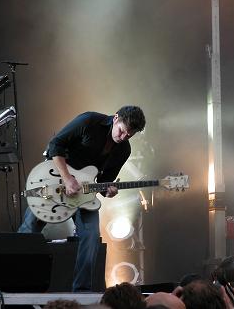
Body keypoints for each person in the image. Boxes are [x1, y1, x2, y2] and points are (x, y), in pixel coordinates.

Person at [18, 106, 146, 292]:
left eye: (129, 135)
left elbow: (104, 181)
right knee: (30, 228)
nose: (124, 137)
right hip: (54, 180)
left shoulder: (123, 150)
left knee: (91, 236)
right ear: (115, 118)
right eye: (122, 130)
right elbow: (55, 145)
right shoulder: (89, 121)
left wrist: (108, 190)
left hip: (84, 194)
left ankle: (82, 290)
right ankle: (12, 280)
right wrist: (67, 178)